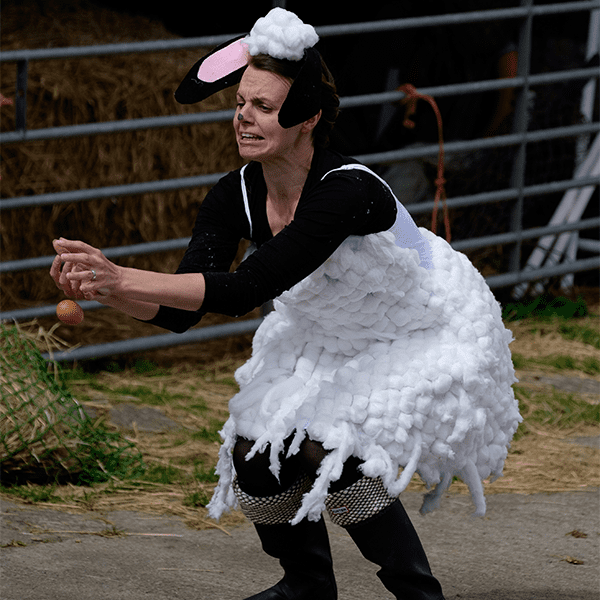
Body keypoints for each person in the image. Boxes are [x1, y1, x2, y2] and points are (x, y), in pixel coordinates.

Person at [50, 9, 521, 600]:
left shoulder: (347, 190)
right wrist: (114, 289)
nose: (245, 116)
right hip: (328, 327)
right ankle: (306, 587)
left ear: (308, 119)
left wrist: (123, 273)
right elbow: (183, 308)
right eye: (241, 102)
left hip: (423, 329)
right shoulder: (235, 195)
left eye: (266, 107)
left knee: (335, 449)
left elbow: (248, 289)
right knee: (257, 450)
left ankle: (418, 594)